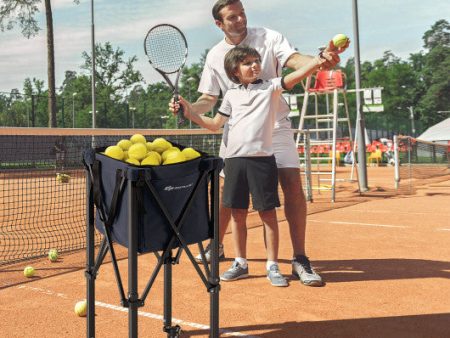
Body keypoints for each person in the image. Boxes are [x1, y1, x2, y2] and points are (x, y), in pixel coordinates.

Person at [169, 0, 348, 287]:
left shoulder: (268, 37)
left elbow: (294, 61)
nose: (240, 20)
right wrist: (188, 108)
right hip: (237, 131)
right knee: (228, 194)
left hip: (275, 126)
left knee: (291, 184)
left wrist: (319, 60)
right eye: (232, 17)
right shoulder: (215, 55)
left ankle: (299, 258)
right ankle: (218, 246)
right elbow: (208, 100)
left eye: (242, 14)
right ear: (219, 23)